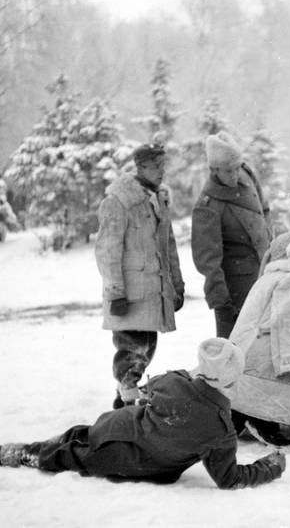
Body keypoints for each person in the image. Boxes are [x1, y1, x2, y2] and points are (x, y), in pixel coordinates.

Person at [0, 338, 286, 489]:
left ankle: (26, 448)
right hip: (128, 461)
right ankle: (19, 455)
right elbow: (229, 479)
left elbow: (146, 392)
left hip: (114, 428)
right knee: (65, 456)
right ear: (233, 380)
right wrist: (270, 467)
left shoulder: (174, 381)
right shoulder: (220, 431)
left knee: (76, 435)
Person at [95, 144, 185, 409]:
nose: (161, 171)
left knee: (146, 346)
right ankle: (126, 401)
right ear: (140, 167)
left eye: (163, 166)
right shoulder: (119, 201)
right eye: (156, 166)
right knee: (131, 349)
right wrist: (115, 292)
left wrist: (176, 286)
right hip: (130, 293)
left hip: (153, 291)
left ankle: (126, 396)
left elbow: (168, 248)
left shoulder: (158, 199)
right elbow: (107, 250)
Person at [191, 131, 271, 339]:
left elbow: (265, 211)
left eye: (236, 168)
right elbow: (207, 261)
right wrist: (222, 301)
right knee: (233, 348)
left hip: (265, 275)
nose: (235, 175)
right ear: (214, 170)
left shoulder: (247, 174)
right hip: (235, 288)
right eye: (228, 171)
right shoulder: (207, 206)